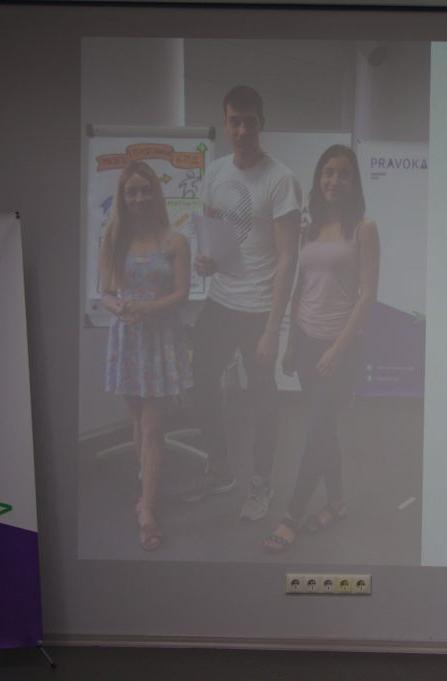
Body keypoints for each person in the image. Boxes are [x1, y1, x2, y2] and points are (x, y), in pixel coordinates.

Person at [184, 85, 302, 521]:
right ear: (225, 121)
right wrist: (203, 260)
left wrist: (273, 329)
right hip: (220, 300)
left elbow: (288, 258)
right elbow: (214, 237)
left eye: (249, 121)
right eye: (234, 121)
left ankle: (261, 482)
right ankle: (220, 468)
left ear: (261, 123)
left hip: (258, 308)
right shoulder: (215, 173)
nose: (241, 130)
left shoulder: (281, 180)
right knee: (199, 380)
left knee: (262, 397)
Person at [263, 145, 380, 553]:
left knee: (315, 429)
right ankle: (336, 501)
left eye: (344, 173)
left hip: (339, 349)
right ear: (319, 179)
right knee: (324, 428)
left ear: (354, 181)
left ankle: (291, 515)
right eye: (328, 172)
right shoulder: (308, 229)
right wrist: (291, 343)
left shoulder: (364, 228)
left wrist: (338, 349)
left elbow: (368, 295)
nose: (335, 180)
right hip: (306, 342)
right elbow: (300, 287)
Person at [99, 160, 193, 551]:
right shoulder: (113, 236)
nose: (138, 198)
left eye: (144, 190)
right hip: (127, 340)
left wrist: (145, 308)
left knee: (153, 426)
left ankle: (148, 510)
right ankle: (148, 479)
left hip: (160, 340)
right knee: (138, 421)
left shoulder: (175, 241)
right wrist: (118, 307)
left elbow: (181, 295)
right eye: (131, 191)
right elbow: (105, 292)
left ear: (155, 193)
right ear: (123, 197)